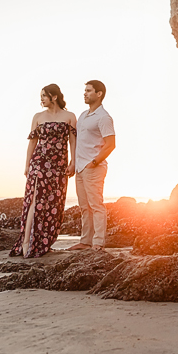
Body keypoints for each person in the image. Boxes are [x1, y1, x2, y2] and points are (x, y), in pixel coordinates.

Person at [9, 84, 77, 258]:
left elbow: (72, 142)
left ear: (54, 97)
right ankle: (26, 243)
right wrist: (27, 165)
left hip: (59, 166)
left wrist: (73, 162)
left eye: (44, 96)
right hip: (39, 163)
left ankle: (44, 241)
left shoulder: (69, 117)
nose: (41, 99)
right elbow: (32, 142)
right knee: (33, 201)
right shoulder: (38, 117)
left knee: (53, 204)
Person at [68, 80, 115, 251]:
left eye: (88, 90)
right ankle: (85, 241)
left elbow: (111, 144)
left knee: (96, 205)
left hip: (94, 167)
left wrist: (94, 162)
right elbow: (78, 142)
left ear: (99, 93)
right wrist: (74, 164)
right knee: (84, 207)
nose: (85, 93)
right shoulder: (83, 115)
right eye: (85, 90)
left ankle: (98, 242)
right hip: (80, 168)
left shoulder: (104, 117)